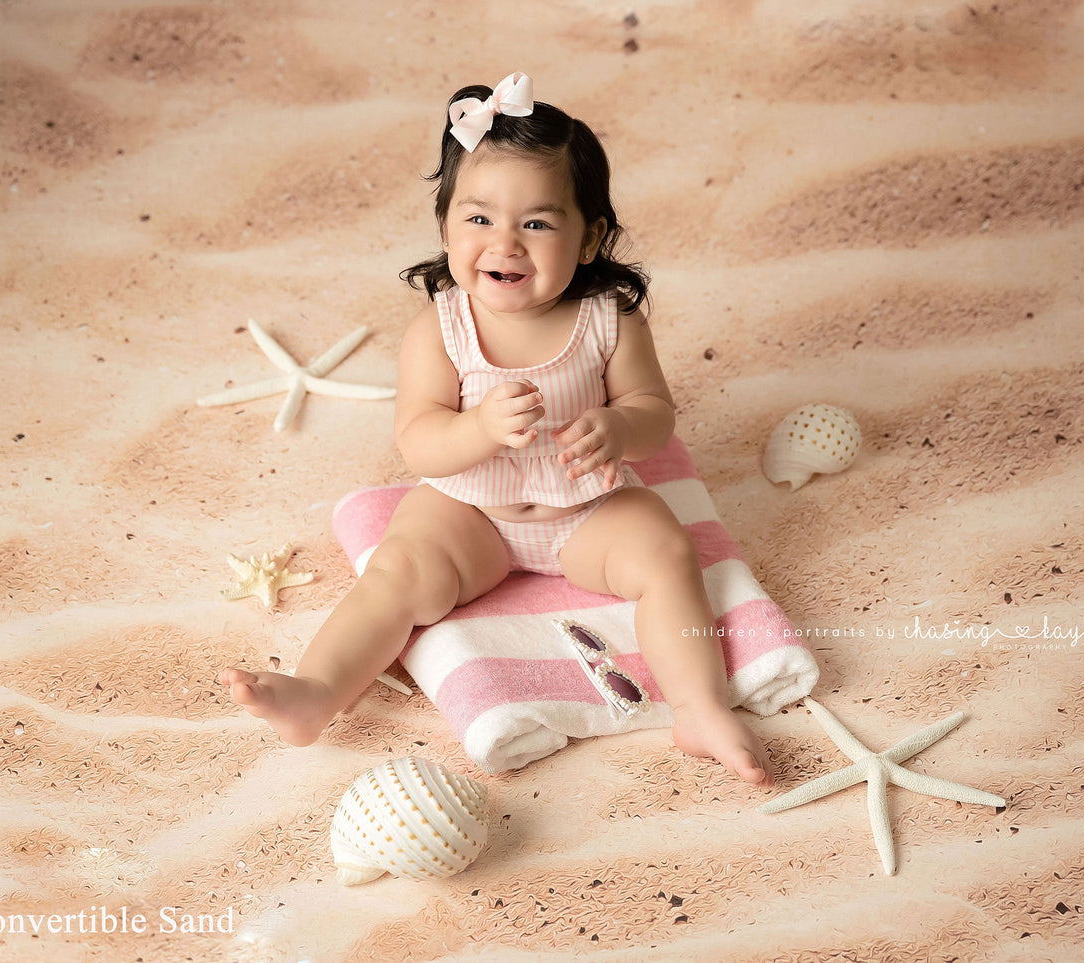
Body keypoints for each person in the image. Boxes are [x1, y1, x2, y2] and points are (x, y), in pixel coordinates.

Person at [217, 73, 773, 786]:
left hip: (586, 509)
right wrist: (478, 428)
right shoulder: (441, 328)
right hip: (471, 511)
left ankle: (697, 706)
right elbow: (417, 439)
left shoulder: (606, 319)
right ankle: (316, 691)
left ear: (590, 237)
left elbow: (653, 410)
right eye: (478, 219)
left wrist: (618, 427)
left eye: (536, 223)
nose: (504, 243)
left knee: (667, 551)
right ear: (445, 225)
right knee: (396, 571)